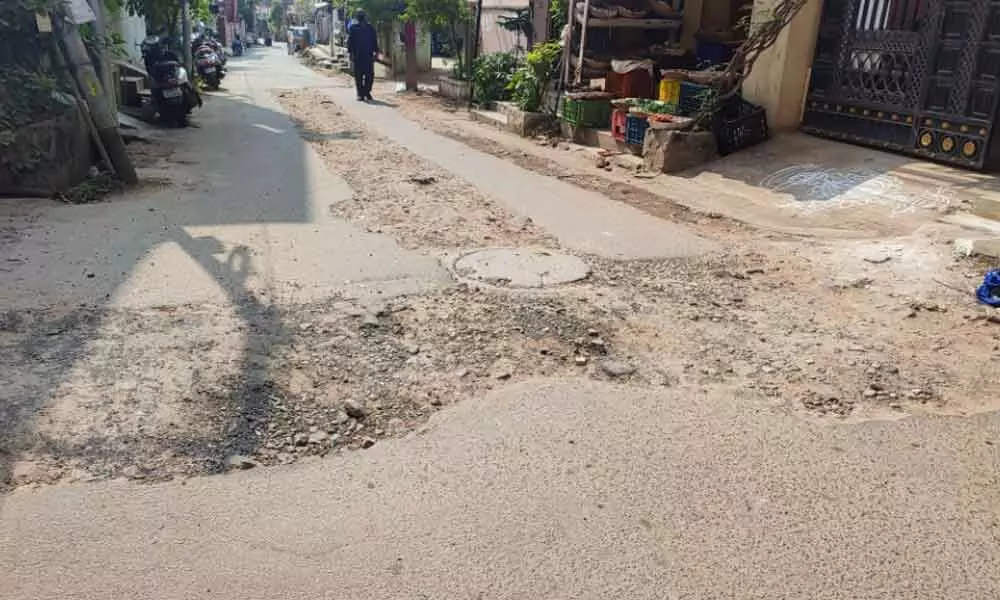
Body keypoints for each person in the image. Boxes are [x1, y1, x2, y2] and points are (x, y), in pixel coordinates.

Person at [346, 10, 379, 101]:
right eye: (360, 16)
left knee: (369, 76)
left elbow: (374, 41)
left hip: (367, 56)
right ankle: (360, 94)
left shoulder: (370, 29)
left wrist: (376, 52)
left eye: (362, 16)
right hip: (358, 56)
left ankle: (366, 92)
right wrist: (351, 54)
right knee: (359, 76)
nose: (361, 18)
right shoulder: (353, 29)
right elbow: (350, 43)